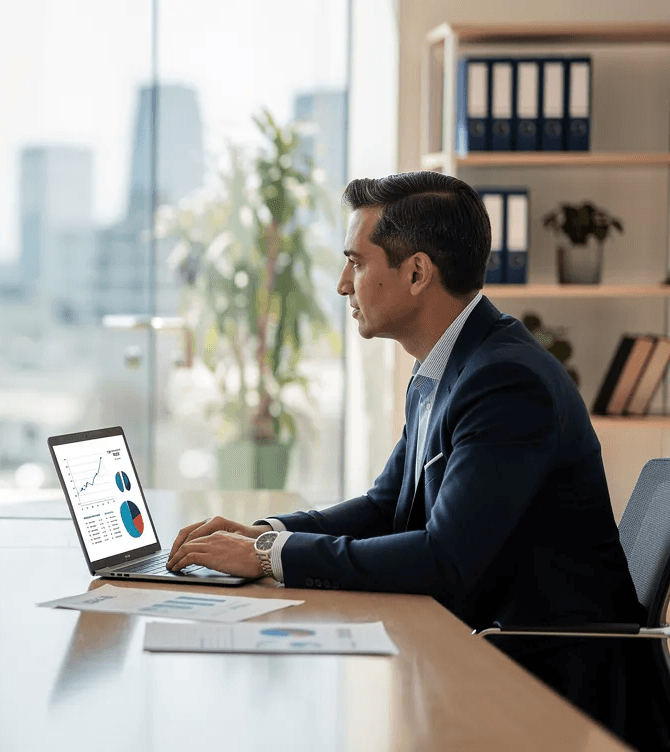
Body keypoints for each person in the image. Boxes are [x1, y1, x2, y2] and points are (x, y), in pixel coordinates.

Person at [166, 171, 664, 748]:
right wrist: (267, 534)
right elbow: (387, 506)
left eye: (356, 261)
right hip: (486, 655)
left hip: (552, 686)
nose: (342, 285)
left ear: (417, 272)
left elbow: (445, 559)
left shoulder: (506, 382)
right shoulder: (443, 368)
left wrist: (269, 557)